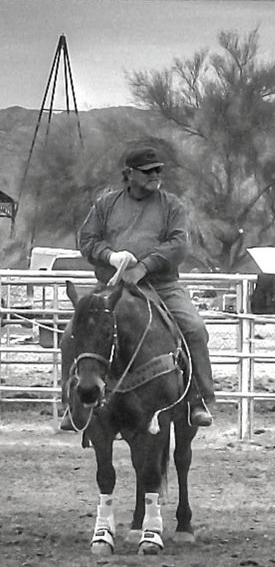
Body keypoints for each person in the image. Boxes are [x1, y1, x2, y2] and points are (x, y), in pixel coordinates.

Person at [60, 145, 215, 430]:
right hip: (112, 283)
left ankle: (198, 399)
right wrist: (110, 256)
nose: (156, 175)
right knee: (73, 330)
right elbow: (88, 239)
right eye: (148, 171)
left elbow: (179, 243)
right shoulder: (106, 205)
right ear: (129, 174)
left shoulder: (171, 206)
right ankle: (72, 402)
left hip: (161, 284)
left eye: (158, 170)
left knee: (194, 328)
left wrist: (144, 266)